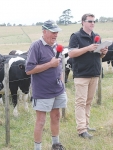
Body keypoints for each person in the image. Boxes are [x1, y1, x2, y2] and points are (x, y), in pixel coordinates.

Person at [25, 20, 67, 150]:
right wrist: (50, 64)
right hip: (42, 91)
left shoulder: (56, 46)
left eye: (57, 32)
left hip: (57, 89)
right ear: (44, 32)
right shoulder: (36, 46)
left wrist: (60, 79)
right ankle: (37, 148)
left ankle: (56, 144)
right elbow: (29, 70)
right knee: (41, 121)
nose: (55, 35)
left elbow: (58, 66)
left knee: (56, 116)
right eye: (53, 32)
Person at [68, 13, 108, 139]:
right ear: (83, 22)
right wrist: (87, 48)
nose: (92, 23)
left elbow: (98, 56)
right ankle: (81, 130)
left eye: (94, 21)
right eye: (90, 21)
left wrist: (103, 52)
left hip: (95, 72)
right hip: (81, 74)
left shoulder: (97, 36)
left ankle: (86, 125)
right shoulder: (76, 36)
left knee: (89, 101)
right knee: (80, 102)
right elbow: (71, 53)